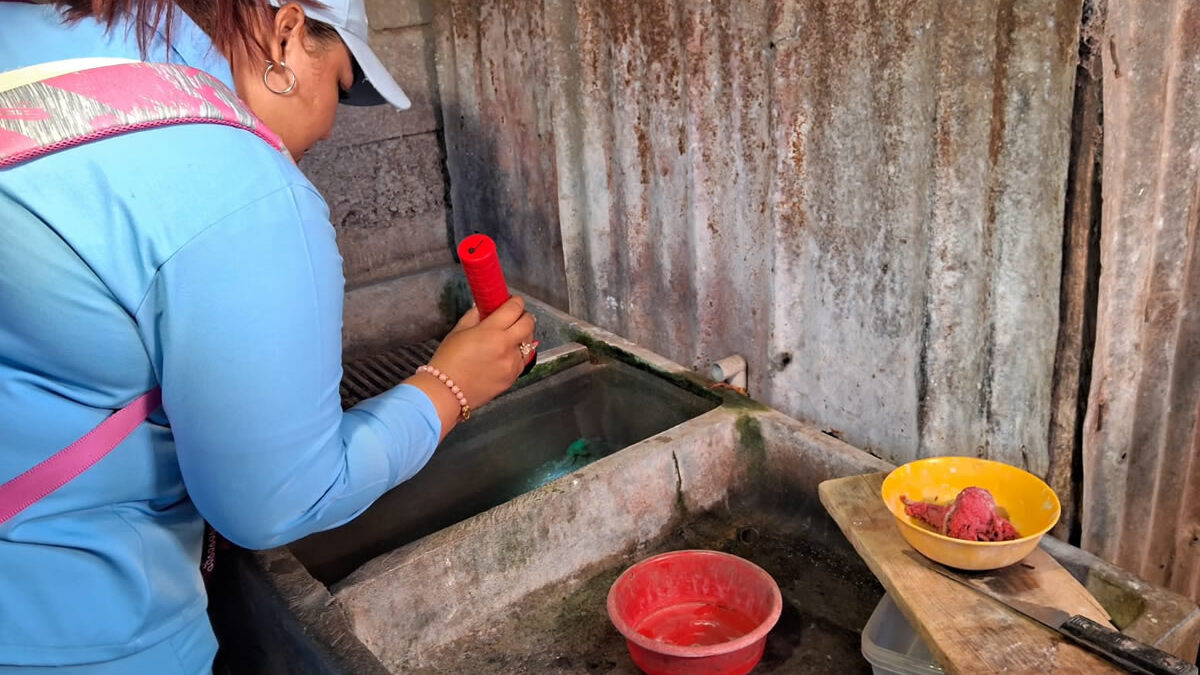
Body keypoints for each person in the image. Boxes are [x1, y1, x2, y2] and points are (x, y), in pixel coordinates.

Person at [0, 0, 536, 671]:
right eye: (340, 84)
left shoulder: (32, 41)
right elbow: (277, 500)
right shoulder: (238, 188)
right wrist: (451, 383)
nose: (331, 122)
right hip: (83, 630)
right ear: (285, 34)